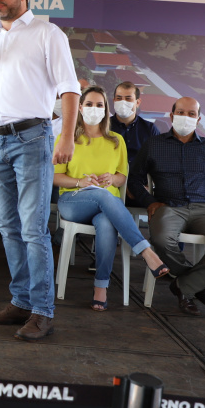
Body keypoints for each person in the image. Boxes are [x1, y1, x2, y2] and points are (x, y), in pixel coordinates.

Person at [0, 0, 80, 341]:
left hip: (33, 137)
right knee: (9, 227)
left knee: (33, 229)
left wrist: (66, 138)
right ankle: (20, 301)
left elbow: (69, 89)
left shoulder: (47, 33)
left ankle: (43, 311)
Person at [53, 86, 169, 311]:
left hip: (106, 206)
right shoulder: (66, 138)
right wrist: (81, 182)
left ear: (106, 110)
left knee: (106, 224)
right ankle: (146, 251)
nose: (94, 109)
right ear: (80, 107)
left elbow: (122, 176)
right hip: (74, 201)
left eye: (99, 105)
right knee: (101, 196)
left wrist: (111, 179)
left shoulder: (116, 140)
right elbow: (55, 177)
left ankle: (100, 287)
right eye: (89, 104)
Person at [128, 96, 205, 316]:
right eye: (181, 112)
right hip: (169, 207)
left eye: (191, 114)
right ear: (172, 116)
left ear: (198, 120)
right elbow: (134, 179)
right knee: (161, 240)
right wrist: (149, 202)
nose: (185, 117)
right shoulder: (154, 144)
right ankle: (193, 282)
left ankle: (183, 285)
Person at [110, 81, 160, 166]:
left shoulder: (150, 129)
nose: (123, 102)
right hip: (109, 177)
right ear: (114, 101)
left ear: (138, 102)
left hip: (140, 178)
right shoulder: (103, 127)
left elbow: (158, 160)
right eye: (119, 98)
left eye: (128, 98)